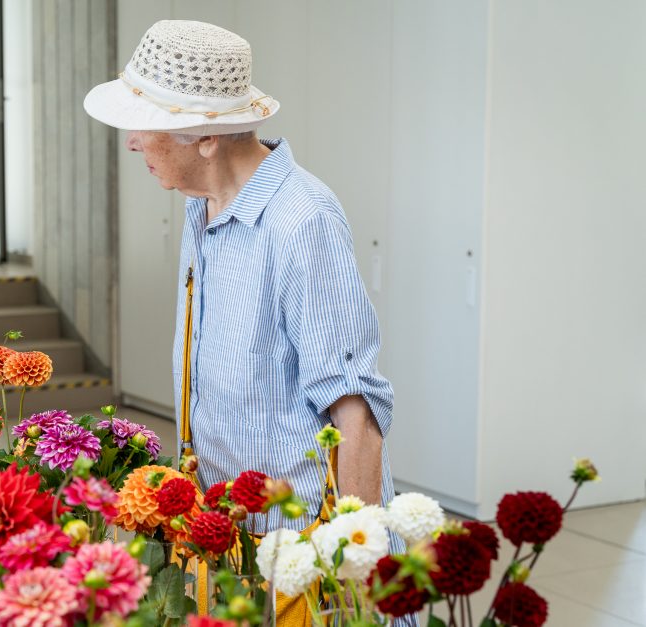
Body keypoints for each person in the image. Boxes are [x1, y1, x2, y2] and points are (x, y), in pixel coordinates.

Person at [86, 19, 414, 626]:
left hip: (308, 557)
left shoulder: (301, 222)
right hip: (233, 540)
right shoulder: (201, 208)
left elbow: (357, 415)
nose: (131, 143)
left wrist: (352, 581)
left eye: (145, 125)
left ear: (205, 137)